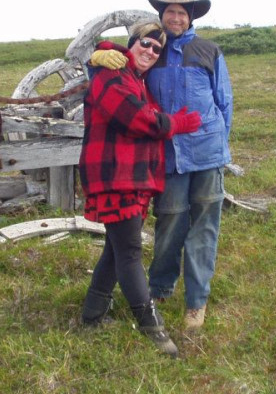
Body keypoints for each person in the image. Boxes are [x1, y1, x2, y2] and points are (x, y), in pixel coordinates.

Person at [91, 0, 233, 330]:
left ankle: (196, 303)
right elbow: (119, 67)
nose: (176, 18)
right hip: (167, 155)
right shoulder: (152, 51)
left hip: (207, 152)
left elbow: (224, 102)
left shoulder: (208, 50)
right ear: (161, 14)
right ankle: (159, 289)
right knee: (169, 221)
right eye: (170, 11)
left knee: (204, 228)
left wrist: (219, 145)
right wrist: (97, 55)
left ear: (191, 16)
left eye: (182, 12)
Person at [79, 21, 201, 358]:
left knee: (116, 248)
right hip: (115, 176)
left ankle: (91, 317)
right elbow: (136, 120)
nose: (149, 51)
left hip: (127, 175)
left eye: (156, 49)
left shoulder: (133, 79)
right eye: (144, 43)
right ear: (131, 44)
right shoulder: (111, 76)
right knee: (130, 251)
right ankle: (153, 328)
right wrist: (175, 123)